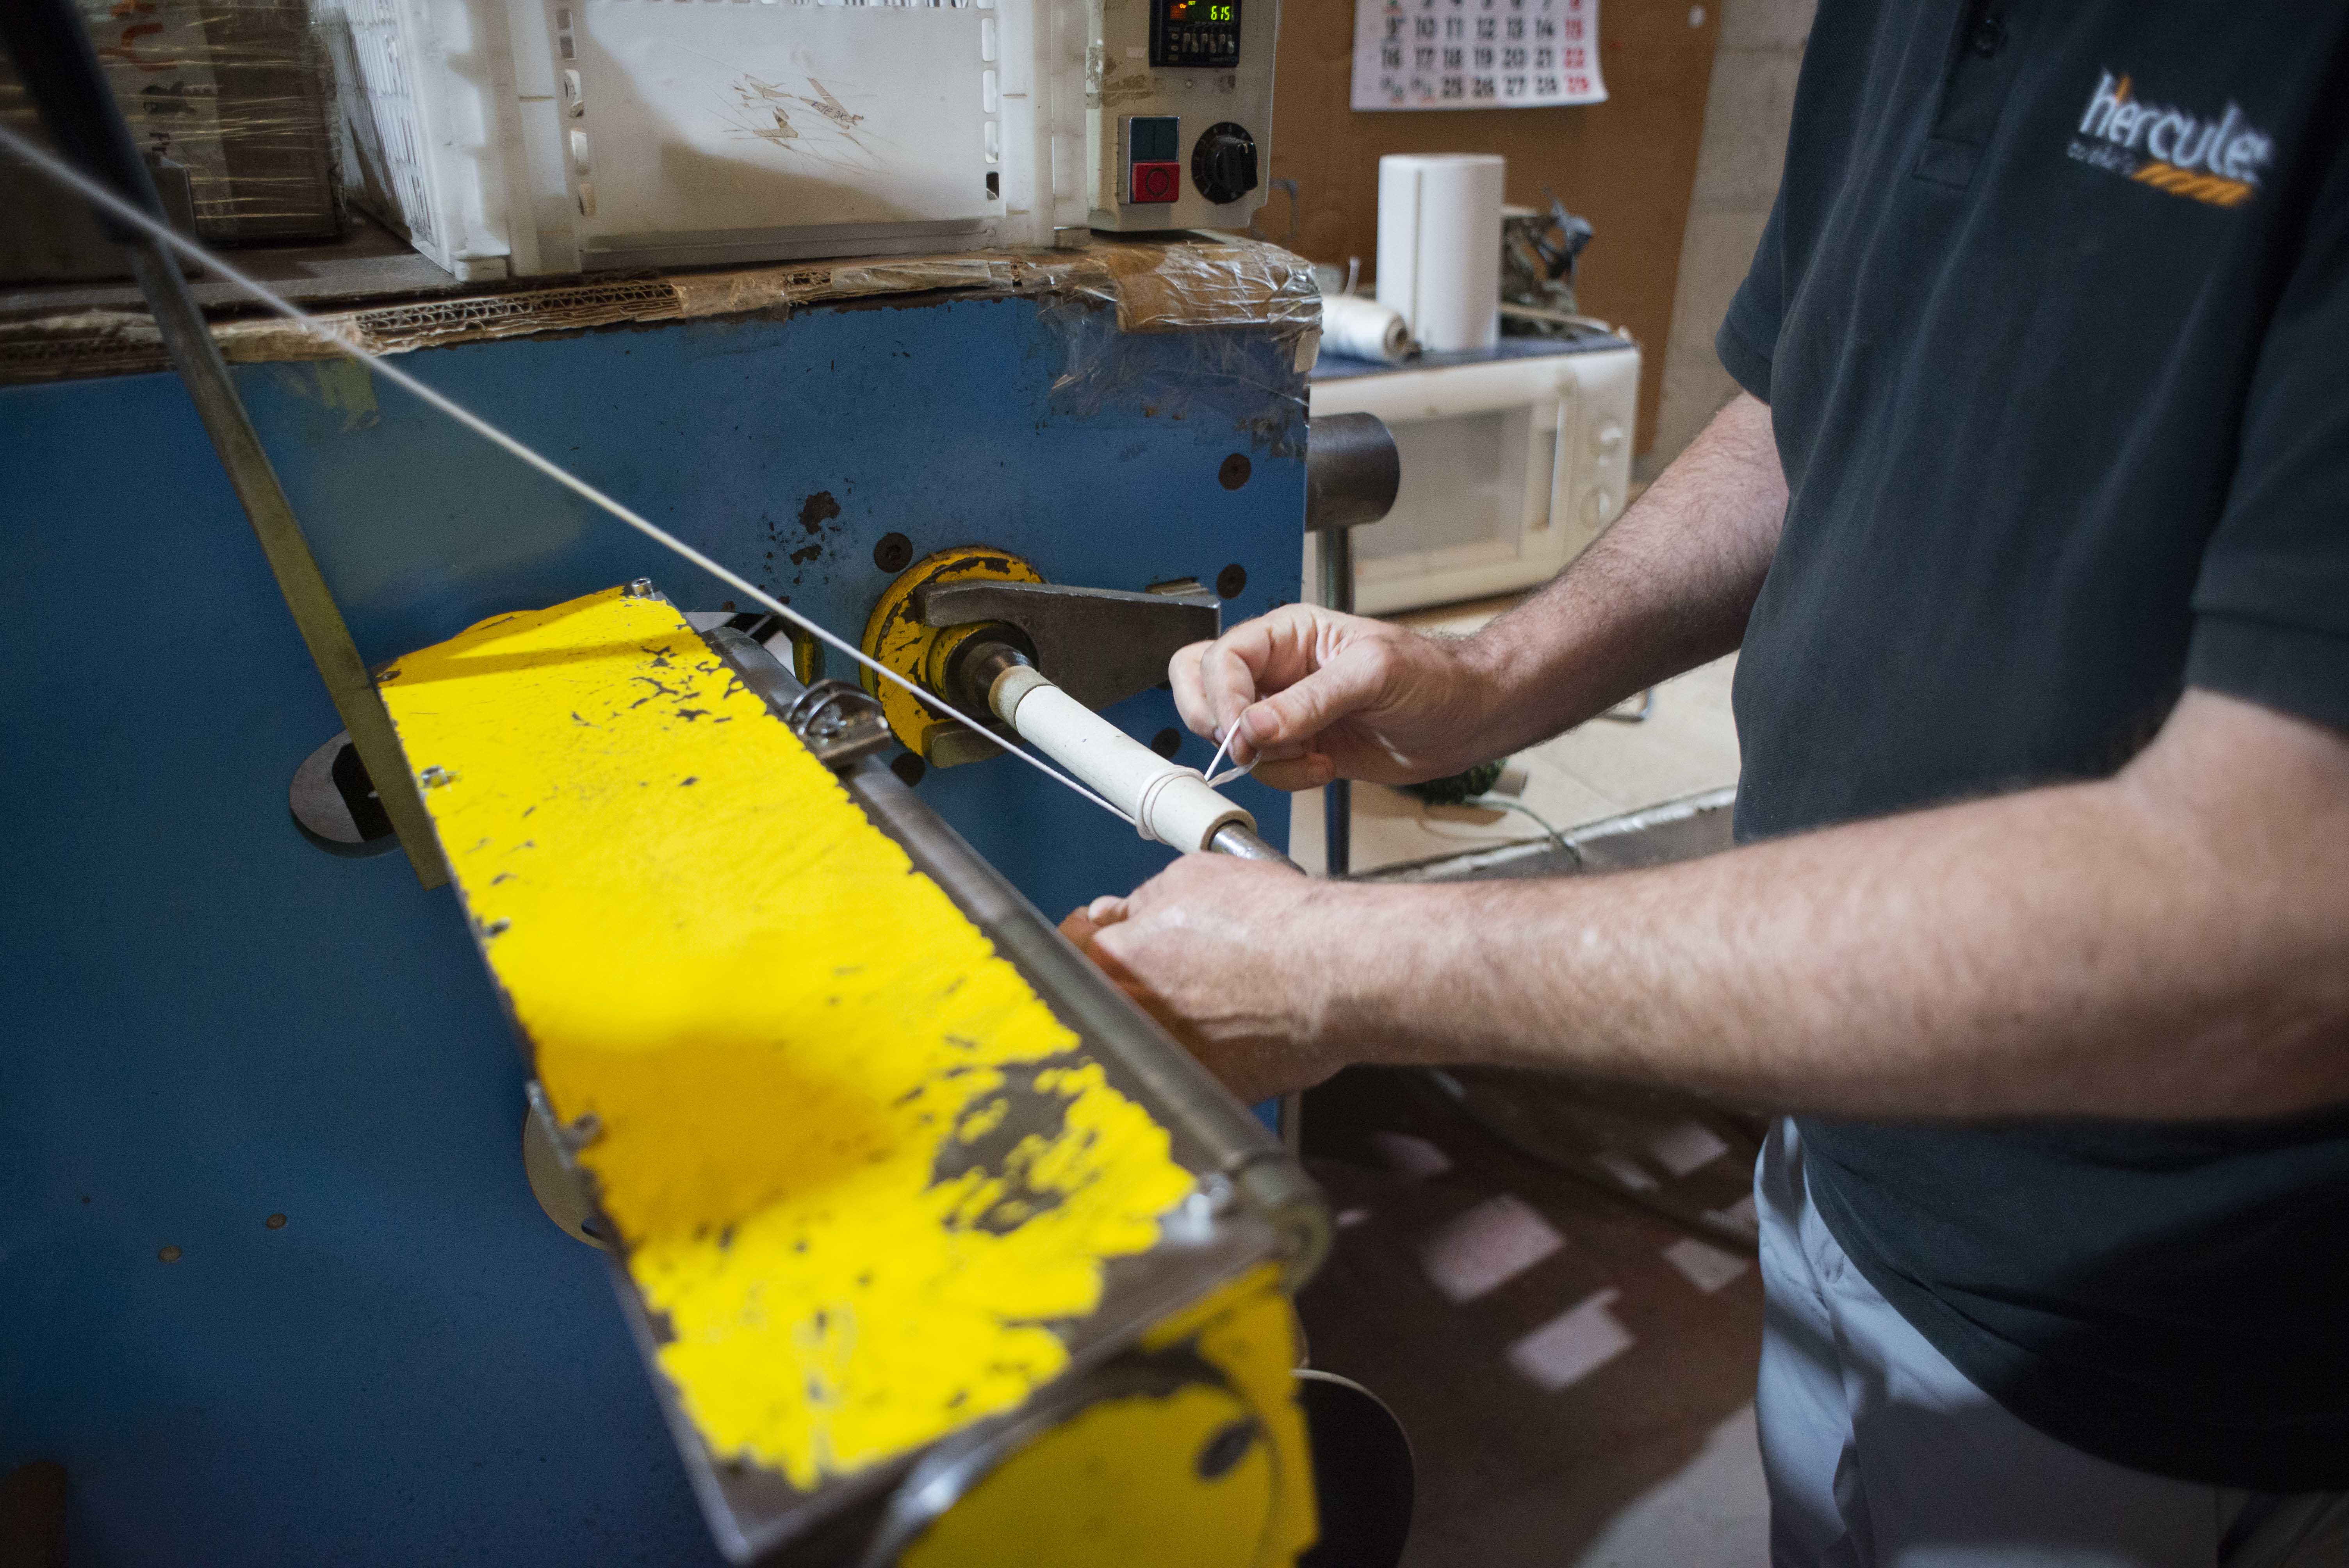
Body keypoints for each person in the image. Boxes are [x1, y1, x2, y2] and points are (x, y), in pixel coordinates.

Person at [1060, 4, 2349, 1561]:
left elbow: (2281, 921)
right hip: (1854, 1142)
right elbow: (1817, 400)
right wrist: (1485, 676)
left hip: (2160, 1313)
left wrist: (1345, 965)